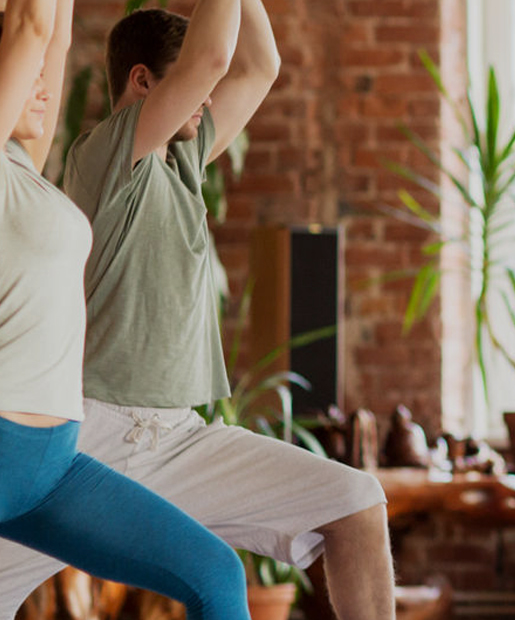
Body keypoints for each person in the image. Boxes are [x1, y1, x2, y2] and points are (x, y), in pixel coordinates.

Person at [0, 2, 394, 618]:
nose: (207, 100)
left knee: (355, 503)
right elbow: (212, 61)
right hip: (93, 432)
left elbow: (258, 66)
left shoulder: (183, 164)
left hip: (178, 435)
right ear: (142, 83)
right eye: (193, 89)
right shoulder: (108, 156)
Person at [0, 0, 247, 616]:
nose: (43, 85)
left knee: (216, 575)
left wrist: (52, 26)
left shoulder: (23, 170)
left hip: (49, 467)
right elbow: (31, 26)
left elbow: (49, 36)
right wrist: (32, 28)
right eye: (24, 72)